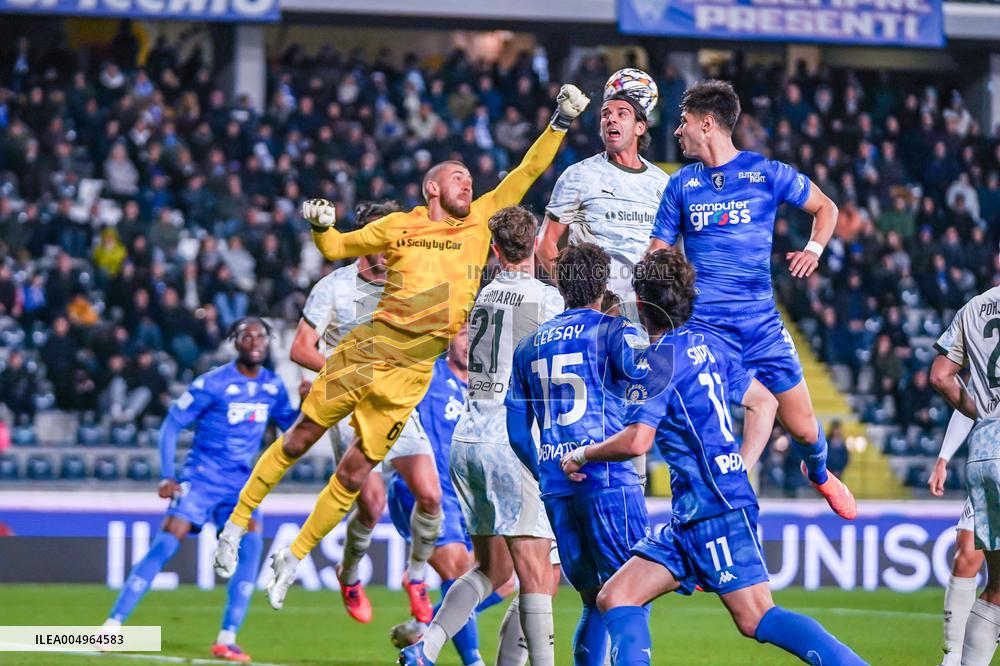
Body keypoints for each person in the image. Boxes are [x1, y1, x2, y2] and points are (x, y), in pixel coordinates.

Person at [214, 84, 591, 612]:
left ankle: (293, 557)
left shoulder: (481, 220)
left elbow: (526, 172)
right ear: (431, 187)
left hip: (412, 372)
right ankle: (234, 525)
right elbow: (339, 246)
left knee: (353, 473)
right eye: (457, 176)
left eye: (470, 178)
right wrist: (320, 226)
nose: (469, 183)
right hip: (369, 350)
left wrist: (559, 122)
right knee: (301, 437)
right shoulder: (398, 226)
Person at [562, 249, 868, 665]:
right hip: (693, 512)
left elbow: (637, 441)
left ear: (642, 302)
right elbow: (763, 402)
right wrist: (741, 464)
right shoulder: (706, 345)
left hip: (714, 509)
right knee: (616, 596)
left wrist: (582, 454)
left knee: (756, 617)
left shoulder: (657, 361)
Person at [648, 79, 857, 520]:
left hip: (762, 326)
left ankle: (817, 472)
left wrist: (813, 251)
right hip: (705, 329)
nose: (677, 132)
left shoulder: (766, 173)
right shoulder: (681, 185)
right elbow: (658, 252)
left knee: (803, 429)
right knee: (707, 418)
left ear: (707, 123)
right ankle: (717, 491)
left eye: (683, 122)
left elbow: (827, 208)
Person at [400, 207, 564, 666]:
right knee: (536, 574)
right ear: (534, 244)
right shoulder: (547, 301)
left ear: (494, 250)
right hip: (512, 441)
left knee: (490, 569)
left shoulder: (484, 294)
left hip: (468, 437)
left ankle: (425, 648)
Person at [102, 318, 296, 663]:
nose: (255, 342)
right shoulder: (213, 383)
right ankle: (112, 626)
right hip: (202, 477)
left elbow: (292, 429)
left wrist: (309, 408)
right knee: (167, 540)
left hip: (241, 485)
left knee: (251, 547)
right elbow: (171, 425)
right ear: (234, 343)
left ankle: (227, 637)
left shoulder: (273, 386)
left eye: (261, 337)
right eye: (247, 336)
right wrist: (167, 475)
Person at [508, 243, 649, 666]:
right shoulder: (614, 332)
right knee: (630, 598)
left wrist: (546, 472)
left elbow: (517, 432)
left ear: (558, 284)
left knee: (593, 601)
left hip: (556, 487)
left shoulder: (529, 346)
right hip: (609, 479)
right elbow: (651, 385)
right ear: (603, 285)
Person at [287, 200, 403, 623]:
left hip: (402, 402)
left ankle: (420, 579)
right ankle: (350, 574)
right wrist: (344, 373)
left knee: (431, 493)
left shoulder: (407, 284)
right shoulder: (334, 287)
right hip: (354, 406)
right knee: (372, 504)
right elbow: (301, 349)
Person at [386, 326, 509, 666]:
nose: (470, 342)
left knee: (506, 576)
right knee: (458, 568)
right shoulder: (427, 374)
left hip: (473, 494)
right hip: (427, 492)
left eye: (477, 336)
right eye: (463, 334)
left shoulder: (490, 387)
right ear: (447, 339)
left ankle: (427, 627)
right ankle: (470, 660)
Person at [538, 68, 669, 310]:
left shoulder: (662, 182)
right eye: (605, 114)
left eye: (622, 114)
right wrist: (578, 296)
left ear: (640, 127)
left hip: (643, 315)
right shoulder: (578, 176)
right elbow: (545, 243)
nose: (611, 119)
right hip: (593, 315)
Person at [930, 285, 1000, 666]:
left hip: (987, 450)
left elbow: (943, 376)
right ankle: (954, 654)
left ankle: (958, 658)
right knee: (968, 557)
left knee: (995, 586)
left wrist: (985, 418)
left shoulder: (974, 307)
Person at [928, 410, 982, 666]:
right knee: (965, 557)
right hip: (991, 470)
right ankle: (953, 656)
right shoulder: (988, 370)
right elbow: (967, 403)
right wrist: (943, 459)